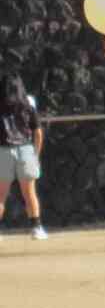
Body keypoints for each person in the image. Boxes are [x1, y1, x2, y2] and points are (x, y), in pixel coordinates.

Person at [0, 74, 47, 240]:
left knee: (0, 196)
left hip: (3, 150)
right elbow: (38, 133)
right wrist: (36, 155)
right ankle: (36, 228)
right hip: (26, 149)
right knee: (30, 193)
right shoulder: (28, 105)